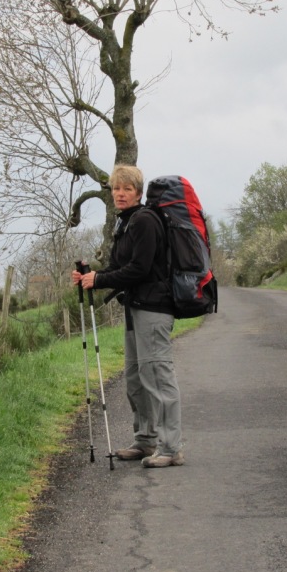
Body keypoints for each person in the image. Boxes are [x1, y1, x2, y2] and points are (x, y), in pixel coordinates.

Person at [71, 164, 184, 468]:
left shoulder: (146, 220)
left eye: (127, 189)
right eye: (116, 188)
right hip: (135, 307)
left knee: (158, 376)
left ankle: (170, 447)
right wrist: (91, 276)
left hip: (154, 308)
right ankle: (146, 440)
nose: (120, 194)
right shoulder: (126, 222)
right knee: (136, 377)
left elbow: (141, 268)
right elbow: (121, 268)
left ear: (138, 192)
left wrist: (102, 280)